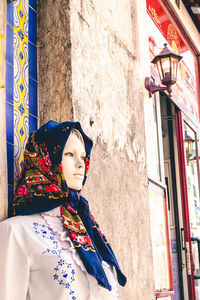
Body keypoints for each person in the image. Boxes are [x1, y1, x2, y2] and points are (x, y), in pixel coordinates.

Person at [0, 121, 126, 300]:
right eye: (69, 154)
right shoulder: (15, 233)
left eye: (83, 157)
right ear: (46, 159)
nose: (80, 164)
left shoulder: (87, 232)